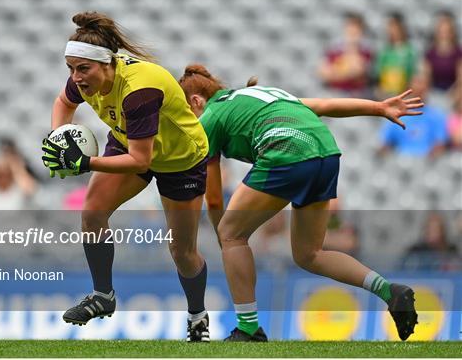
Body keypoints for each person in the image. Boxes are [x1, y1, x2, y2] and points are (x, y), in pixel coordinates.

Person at [178, 64, 422, 342]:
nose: (190, 123)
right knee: (310, 254)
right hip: (326, 153)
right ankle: (390, 292)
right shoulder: (263, 94)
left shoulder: (209, 117)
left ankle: (248, 329)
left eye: (188, 114)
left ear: (196, 101)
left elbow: (213, 197)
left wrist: (225, 237)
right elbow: (325, 104)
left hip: (286, 151)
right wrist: (378, 108)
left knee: (231, 233)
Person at [41, 12, 211, 342]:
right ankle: (103, 297)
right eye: (71, 69)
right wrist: (58, 137)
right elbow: (63, 103)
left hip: (180, 158)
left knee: (181, 251)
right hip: (129, 140)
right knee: (92, 213)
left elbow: (140, 160)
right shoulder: (85, 76)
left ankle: (197, 318)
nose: (75, 77)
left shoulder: (139, 91)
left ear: (107, 64)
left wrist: (85, 162)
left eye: (82, 69)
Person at [379, 73, 448, 158]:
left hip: (427, 162)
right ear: (409, 87)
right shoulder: (397, 114)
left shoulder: (437, 116)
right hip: (400, 162)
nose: (419, 87)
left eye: (423, 83)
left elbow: (440, 144)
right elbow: (385, 142)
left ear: (428, 87)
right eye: (416, 83)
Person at [318, 12, 374, 96]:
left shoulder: (366, 50)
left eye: (355, 27)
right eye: (350, 26)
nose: (352, 30)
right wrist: (344, 74)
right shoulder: (334, 48)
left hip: (356, 94)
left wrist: (352, 46)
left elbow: (357, 72)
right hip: (335, 93)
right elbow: (323, 72)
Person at [375, 12, 417, 98]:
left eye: (395, 27)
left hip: (404, 92)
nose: (392, 31)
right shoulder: (385, 51)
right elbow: (379, 71)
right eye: (390, 27)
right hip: (385, 93)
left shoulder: (410, 51)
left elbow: (413, 72)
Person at [423, 11, 462, 92]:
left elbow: (460, 79)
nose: (444, 34)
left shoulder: (458, 53)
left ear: (452, 32)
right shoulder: (430, 53)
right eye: (442, 31)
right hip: (434, 92)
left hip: (453, 92)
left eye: (447, 31)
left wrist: (453, 94)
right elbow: (427, 78)